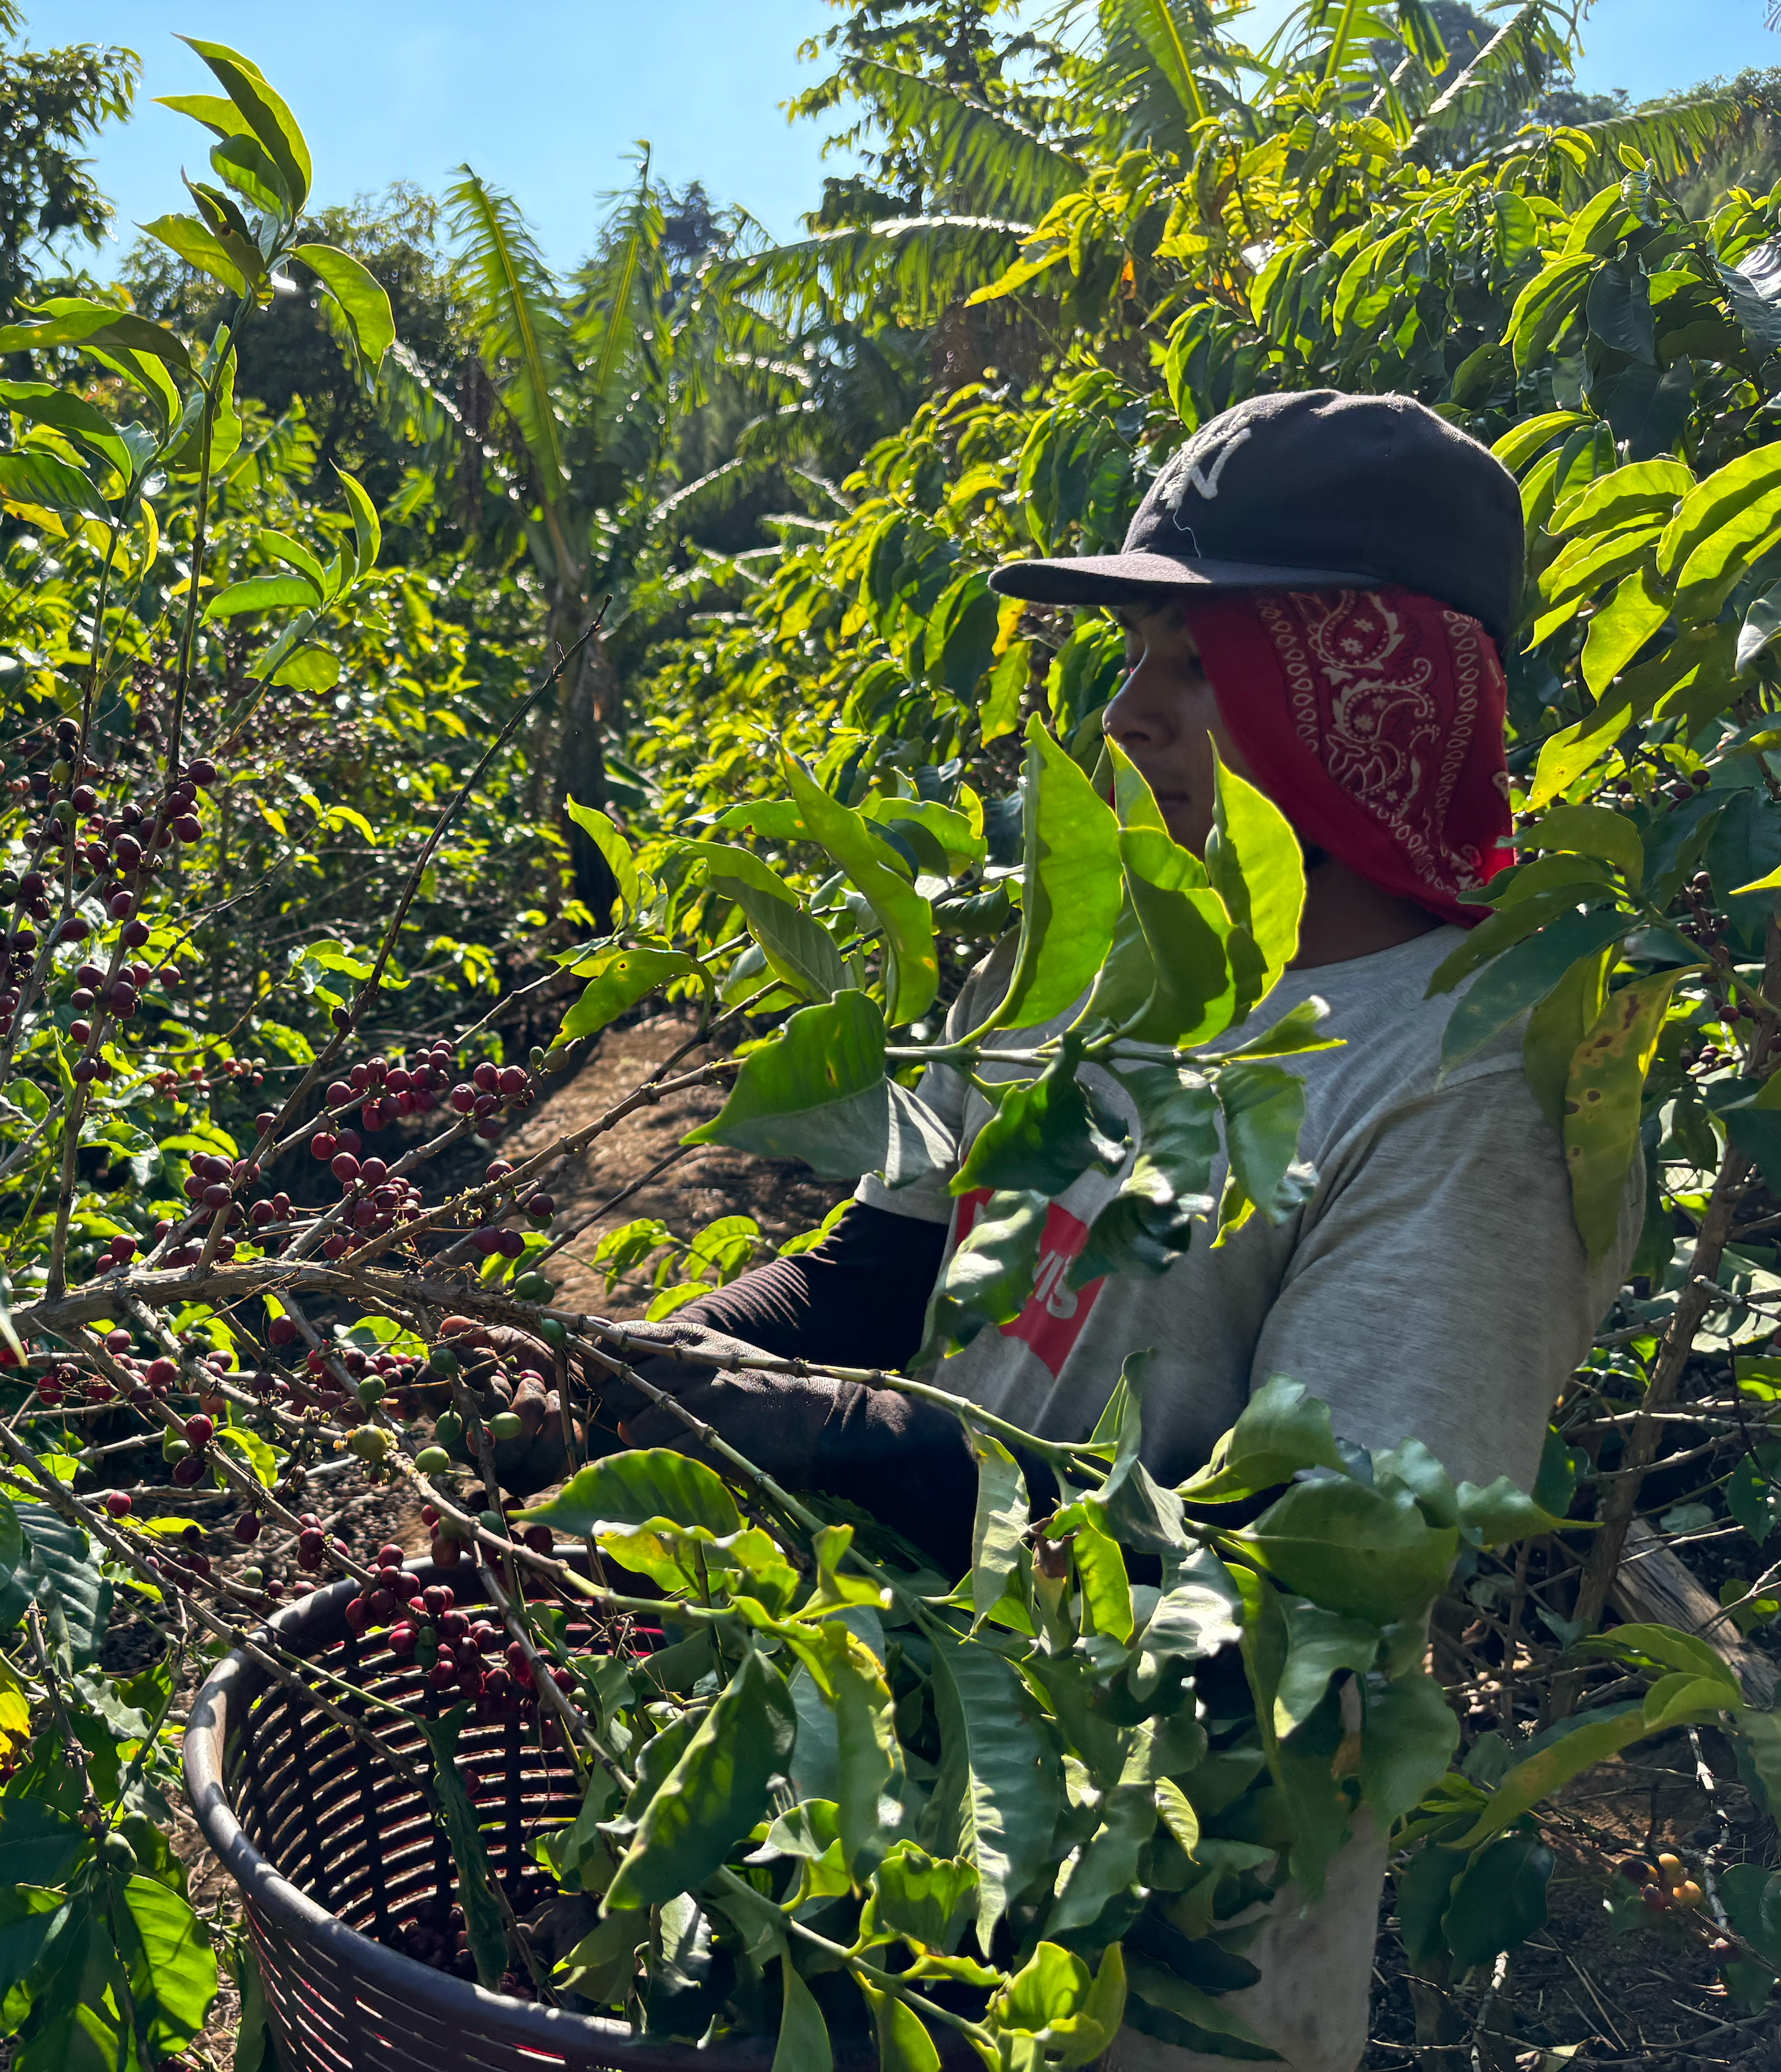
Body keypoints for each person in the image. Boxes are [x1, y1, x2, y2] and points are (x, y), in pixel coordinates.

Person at [594, 390, 1629, 2072]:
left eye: (1196, 662)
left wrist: (844, 1441)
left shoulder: (1474, 1084)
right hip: (885, 1825)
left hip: (1152, 1944)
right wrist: (659, 1361)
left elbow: (1299, 1602)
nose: (1130, 713)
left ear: (1366, 682)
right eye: (1136, 654)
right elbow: (884, 1266)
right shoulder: (1117, 943)